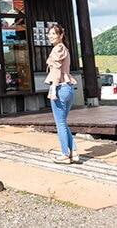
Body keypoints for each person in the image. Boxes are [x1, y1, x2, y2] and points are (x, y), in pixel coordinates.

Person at [44, 23, 79, 164]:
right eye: (49, 34)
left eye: (54, 34)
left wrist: (53, 88)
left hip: (60, 88)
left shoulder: (57, 49)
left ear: (61, 35)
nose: (51, 36)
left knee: (60, 124)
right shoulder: (64, 48)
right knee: (63, 122)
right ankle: (74, 153)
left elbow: (57, 71)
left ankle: (65, 154)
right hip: (68, 88)